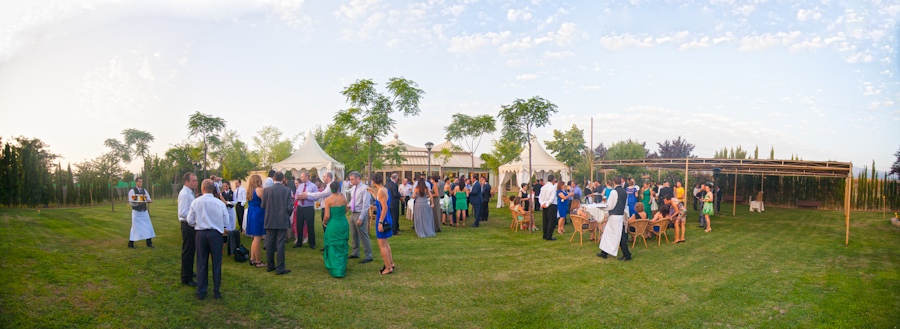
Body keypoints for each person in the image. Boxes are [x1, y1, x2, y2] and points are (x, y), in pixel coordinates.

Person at [187, 179, 230, 300]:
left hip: (200, 234)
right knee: (216, 262)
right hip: (215, 234)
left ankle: (201, 290)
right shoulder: (220, 203)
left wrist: (199, 222)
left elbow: (190, 220)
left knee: (201, 262)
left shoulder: (196, 202)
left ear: (202, 188)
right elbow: (226, 222)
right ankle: (216, 291)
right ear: (213, 189)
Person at [261, 171, 293, 275]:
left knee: (269, 243)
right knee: (280, 244)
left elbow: (263, 205)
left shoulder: (266, 190)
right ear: (283, 178)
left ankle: (270, 265)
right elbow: (289, 207)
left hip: (270, 219)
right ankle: (280, 268)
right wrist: (287, 214)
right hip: (282, 219)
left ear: (274, 178)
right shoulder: (287, 190)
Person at [597, 177, 632, 261]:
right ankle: (604, 252)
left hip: (614, 216)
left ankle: (627, 255)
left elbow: (610, 205)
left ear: (613, 182)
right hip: (620, 215)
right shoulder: (624, 191)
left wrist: (601, 208)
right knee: (611, 234)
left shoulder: (614, 192)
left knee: (617, 235)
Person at [322, 181, 349, 278]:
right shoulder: (343, 198)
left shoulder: (328, 200)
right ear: (339, 188)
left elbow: (327, 216)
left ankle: (335, 267)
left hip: (333, 224)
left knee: (333, 245)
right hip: (343, 223)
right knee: (342, 244)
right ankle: (341, 267)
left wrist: (324, 222)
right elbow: (346, 210)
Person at [370, 175, 395, 275]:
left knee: (382, 245)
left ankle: (388, 268)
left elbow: (384, 207)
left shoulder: (381, 191)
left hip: (383, 218)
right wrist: (372, 193)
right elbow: (380, 201)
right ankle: (391, 263)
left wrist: (380, 222)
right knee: (386, 244)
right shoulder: (383, 189)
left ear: (373, 181)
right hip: (386, 217)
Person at [347, 171, 373, 264]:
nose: (350, 181)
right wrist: (349, 205)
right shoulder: (353, 188)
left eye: (352, 179)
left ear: (358, 178)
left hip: (360, 213)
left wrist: (361, 218)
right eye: (350, 179)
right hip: (353, 212)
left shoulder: (364, 188)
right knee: (354, 234)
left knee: (363, 235)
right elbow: (353, 200)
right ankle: (355, 252)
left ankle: (369, 255)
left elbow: (366, 205)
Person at [178, 172, 199, 287]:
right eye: (194, 181)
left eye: (196, 180)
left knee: (191, 250)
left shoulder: (189, 192)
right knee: (188, 251)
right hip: (187, 225)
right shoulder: (185, 194)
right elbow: (182, 213)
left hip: (191, 225)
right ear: (187, 181)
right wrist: (195, 217)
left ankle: (189, 271)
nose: (196, 182)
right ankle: (186, 277)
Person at [244, 175, 267, 268]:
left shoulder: (249, 190)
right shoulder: (259, 189)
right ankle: (258, 261)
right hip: (258, 213)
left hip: (251, 212)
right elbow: (265, 202)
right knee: (258, 238)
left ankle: (252, 258)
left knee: (255, 238)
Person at [293, 171, 319, 250]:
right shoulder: (300, 186)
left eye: (302, 177)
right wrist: (299, 197)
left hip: (309, 208)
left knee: (310, 225)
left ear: (307, 177)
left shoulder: (313, 186)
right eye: (300, 177)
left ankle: (312, 243)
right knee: (299, 225)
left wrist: (307, 197)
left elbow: (316, 197)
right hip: (300, 207)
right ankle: (299, 242)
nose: (301, 178)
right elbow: (296, 196)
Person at [127, 177, 155, 249]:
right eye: (139, 182)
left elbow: (148, 198)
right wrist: (139, 203)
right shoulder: (132, 191)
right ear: (136, 182)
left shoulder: (144, 190)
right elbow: (131, 202)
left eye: (141, 182)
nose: (141, 183)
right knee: (134, 228)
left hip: (144, 211)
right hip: (136, 212)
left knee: (148, 226)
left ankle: (149, 243)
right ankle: (130, 244)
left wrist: (149, 201)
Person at [539, 175, 559, 241]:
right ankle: (549, 236)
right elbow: (552, 197)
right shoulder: (552, 187)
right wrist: (547, 204)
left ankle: (545, 234)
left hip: (544, 204)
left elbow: (540, 196)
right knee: (551, 221)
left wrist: (542, 203)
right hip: (551, 205)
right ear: (553, 180)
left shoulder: (543, 187)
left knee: (545, 220)